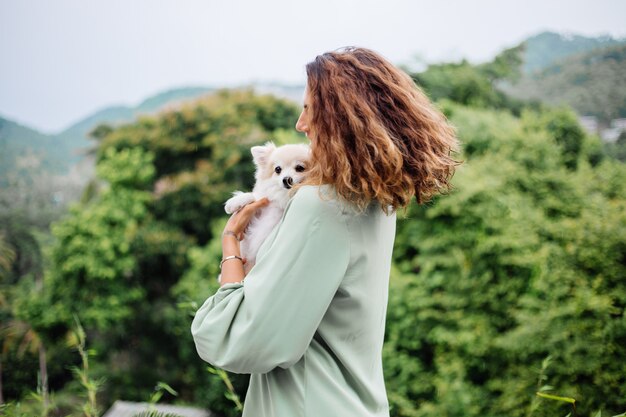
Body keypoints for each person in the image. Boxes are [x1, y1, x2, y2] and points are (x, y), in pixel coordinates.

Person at [191, 47, 459, 416]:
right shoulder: (377, 201)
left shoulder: (319, 205)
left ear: (341, 120)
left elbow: (240, 341)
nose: (301, 124)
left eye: (309, 109)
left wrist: (231, 246)